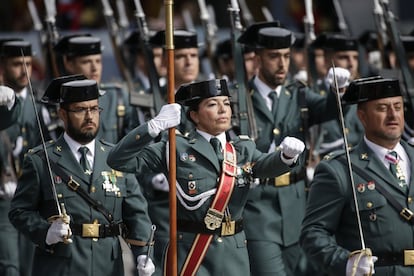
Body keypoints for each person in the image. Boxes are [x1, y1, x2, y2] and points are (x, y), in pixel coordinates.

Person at [107, 78, 306, 275]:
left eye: (226, 104)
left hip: (233, 253)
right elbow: (117, 160)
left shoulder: (243, 148)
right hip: (192, 253)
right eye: (212, 104)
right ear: (194, 115)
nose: (223, 110)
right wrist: (152, 127)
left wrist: (286, 156)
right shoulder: (175, 148)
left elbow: (265, 166)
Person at [9, 77, 154, 276]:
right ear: (62, 114)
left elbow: (137, 213)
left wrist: (143, 254)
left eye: (94, 109)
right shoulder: (41, 159)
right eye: (80, 110)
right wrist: (45, 232)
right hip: (60, 266)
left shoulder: (116, 158)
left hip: (108, 266)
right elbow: (19, 211)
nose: (89, 117)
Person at [237, 23, 343, 275]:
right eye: (274, 57)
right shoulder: (238, 98)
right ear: (258, 57)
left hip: (297, 206)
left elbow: (331, 110)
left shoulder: (299, 95)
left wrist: (339, 91)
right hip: (258, 209)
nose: (283, 64)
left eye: (286, 56)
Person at [300, 76, 414, 275]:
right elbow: (313, 234)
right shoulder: (340, 169)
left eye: (397, 106)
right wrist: (347, 263)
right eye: (382, 108)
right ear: (362, 116)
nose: (393, 115)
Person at [54, 34, 132, 143]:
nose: (95, 68)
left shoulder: (117, 97)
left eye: (98, 61)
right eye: (86, 62)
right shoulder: (55, 101)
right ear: (69, 64)